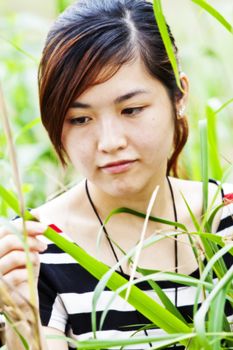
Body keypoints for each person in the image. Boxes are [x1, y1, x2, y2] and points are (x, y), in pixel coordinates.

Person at [0, 0, 232, 349]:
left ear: (179, 95)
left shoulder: (225, 220)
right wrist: (22, 319)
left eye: (131, 109)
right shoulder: (35, 252)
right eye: (80, 119)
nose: (109, 142)